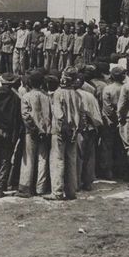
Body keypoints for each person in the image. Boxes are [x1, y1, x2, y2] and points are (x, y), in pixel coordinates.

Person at [46, 67, 83, 200]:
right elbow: (81, 113)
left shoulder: (58, 93)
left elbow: (58, 114)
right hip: (74, 130)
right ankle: (71, 191)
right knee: (71, 160)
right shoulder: (77, 94)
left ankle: (57, 192)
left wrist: (63, 127)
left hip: (60, 130)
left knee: (58, 160)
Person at [17, 72, 51, 198]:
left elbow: (25, 115)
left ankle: (25, 187)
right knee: (43, 159)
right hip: (45, 131)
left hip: (31, 132)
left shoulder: (26, 96)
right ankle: (41, 188)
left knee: (28, 159)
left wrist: (33, 129)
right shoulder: (47, 96)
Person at [75, 73, 104, 191]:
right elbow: (97, 115)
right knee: (89, 156)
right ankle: (87, 182)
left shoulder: (70, 95)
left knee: (77, 157)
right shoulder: (89, 96)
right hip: (90, 128)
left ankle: (76, 182)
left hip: (78, 130)